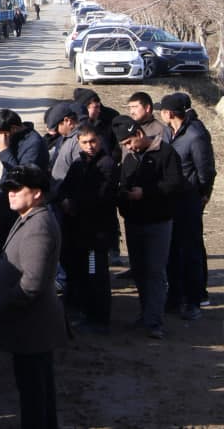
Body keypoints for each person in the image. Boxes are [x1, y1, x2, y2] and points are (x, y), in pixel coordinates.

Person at [0, 164, 67, 429]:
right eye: (8, 188)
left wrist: (4, 306)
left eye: (16, 189)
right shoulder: (30, 218)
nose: (10, 194)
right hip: (30, 324)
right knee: (36, 388)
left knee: (34, 392)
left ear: (36, 193)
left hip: (32, 325)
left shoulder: (38, 226)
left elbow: (32, 283)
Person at [114, 115, 184, 338]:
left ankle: (155, 321)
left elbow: (174, 184)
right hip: (134, 222)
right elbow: (124, 182)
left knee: (155, 272)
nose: (128, 147)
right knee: (140, 271)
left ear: (138, 134)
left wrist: (146, 193)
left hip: (159, 222)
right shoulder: (130, 158)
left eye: (129, 142)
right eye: (124, 145)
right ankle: (146, 315)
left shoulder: (166, 153)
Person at [56, 123, 118, 332]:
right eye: (84, 142)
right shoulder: (78, 164)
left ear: (100, 140)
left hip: (96, 233)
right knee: (80, 273)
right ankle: (84, 310)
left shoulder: (107, 164)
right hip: (78, 231)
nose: (89, 146)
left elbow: (101, 196)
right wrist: (65, 200)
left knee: (96, 275)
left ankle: (99, 318)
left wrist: (74, 204)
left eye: (93, 141)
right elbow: (65, 187)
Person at [160, 93, 215, 320]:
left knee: (190, 250)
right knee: (173, 250)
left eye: (162, 110)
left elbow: (206, 171)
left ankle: (194, 300)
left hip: (189, 200)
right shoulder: (171, 134)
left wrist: (202, 195)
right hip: (172, 200)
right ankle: (175, 297)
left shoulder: (195, 135)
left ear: (169, 113)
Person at [0, 108, 49, 263]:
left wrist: (4, 151)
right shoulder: (14, 140)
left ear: (14, 128)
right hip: (7, 210)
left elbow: (22, 176)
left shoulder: (33, 144)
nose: (0, 139)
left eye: (2, 133)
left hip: (21, 208)